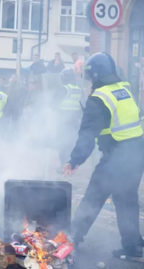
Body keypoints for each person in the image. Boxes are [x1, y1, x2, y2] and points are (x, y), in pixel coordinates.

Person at [63, 52, 144, 258]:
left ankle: (72, 237)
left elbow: (87, 134)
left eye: (90, 76)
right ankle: (133, 246)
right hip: (135, 154)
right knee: (126, 199)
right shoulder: (124, 87)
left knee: (94, 195)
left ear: (96, 75)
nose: (89, 81)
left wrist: (75, 160)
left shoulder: (98, 99)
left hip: (116, 156)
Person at [54, 68, 82, 172]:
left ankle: (63, 166)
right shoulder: (78, 89)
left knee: (62, 143)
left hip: (64, 120)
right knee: (71, 142)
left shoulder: (65, 88)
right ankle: (71, 164)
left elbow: (53, 103)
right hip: (74, 120)